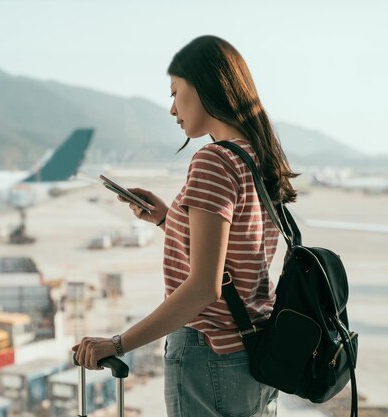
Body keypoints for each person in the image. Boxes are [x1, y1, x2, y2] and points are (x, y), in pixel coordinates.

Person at [72, 35, 298, 417]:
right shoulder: (254, 158)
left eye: (176, 92)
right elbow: (235, 257)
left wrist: (118, 343)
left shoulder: (213, 161)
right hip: (254, 355)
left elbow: (203, 288)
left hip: (207, 355)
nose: (172, 108)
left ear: (207, 85)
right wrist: (165, 218)